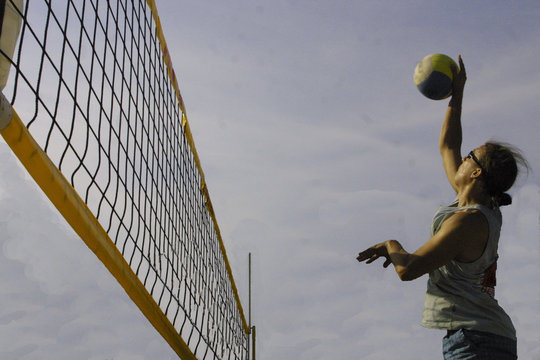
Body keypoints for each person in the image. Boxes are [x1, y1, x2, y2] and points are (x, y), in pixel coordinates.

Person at [356, 55, 528, 360]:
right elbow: (448, 146)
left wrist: (390, 243)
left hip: (476, 340)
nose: (463, 157)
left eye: (470, 156)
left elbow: (407, 269)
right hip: (482, 335)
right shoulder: (478, 206)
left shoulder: (467, 222)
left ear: (475, 173)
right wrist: (457, 93)